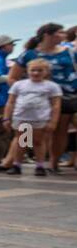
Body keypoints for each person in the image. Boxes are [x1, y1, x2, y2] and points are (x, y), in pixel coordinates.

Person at [10, 22, 76, 173]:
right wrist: (25, 92)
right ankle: (16, 163)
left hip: (65, 96)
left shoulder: (71, 52)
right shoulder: (29, 54)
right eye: (60, 32)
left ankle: (51, 163)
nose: (64, 35)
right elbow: (13, 78)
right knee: (27, 134)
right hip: (34, 103)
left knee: (59, 130)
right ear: (47, 35)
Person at [0, 58, 63, 175]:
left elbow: (56, 105)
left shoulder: (52, 86)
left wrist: (53, 121)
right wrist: (6, 117)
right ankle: (17, 164)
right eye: (33, 70)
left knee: (38, 141)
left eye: (40, 70)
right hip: (22, 118)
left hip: (40, 119)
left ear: (46, 72)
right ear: (27, 71)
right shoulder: (19, 85)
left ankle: (40, 165)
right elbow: (10, 102)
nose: (36, 73)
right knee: (22, 142)